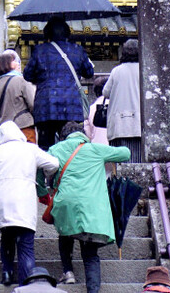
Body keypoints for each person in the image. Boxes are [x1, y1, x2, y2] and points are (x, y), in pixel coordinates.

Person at [44, 122, 131, 292]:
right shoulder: (95, 149)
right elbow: (125, 153)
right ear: (83, 135)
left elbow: (42, 167)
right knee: (90, 254)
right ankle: (93, 290)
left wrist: (41, 191)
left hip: (66, 203)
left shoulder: (55, 149)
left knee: (65, 233)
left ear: (63, 136)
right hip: (92, 207)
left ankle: (68, 272)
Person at [0, 121, 60, 286]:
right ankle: (26, 282)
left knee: (7, 237)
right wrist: (44, 175)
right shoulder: (30, 149)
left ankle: (7, 273)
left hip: (1, 202)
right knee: (25, 245)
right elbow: (54, 164)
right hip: (24, 201)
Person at [23, 17, 95, 149]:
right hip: (71, 105)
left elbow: (27, 75)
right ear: (67, 32)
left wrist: (41, 79)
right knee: (72, 144)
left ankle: (48, 169)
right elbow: (89, 72)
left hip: (46, 105)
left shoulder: (40, 50)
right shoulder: (77, 50)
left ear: (47, 33)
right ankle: (69, 168)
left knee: (46, 146)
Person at [103, 39, 143, 162]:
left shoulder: (117, 71)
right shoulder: (144, 70)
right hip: (139, 123)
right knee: (139, 160)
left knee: (120, 162)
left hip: (119, 123)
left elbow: (105, 92)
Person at [0, 49, 37, 143]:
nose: (18, 63)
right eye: (14, 61)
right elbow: (33, 104)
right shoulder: (21, 80)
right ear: (7, 64)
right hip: (24, 128)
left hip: (5, 131)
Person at [85, 77, 108, 146]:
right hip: (115, 148)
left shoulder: (90, 109)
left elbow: (87, 134)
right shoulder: (116, 106)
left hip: (96, 147)